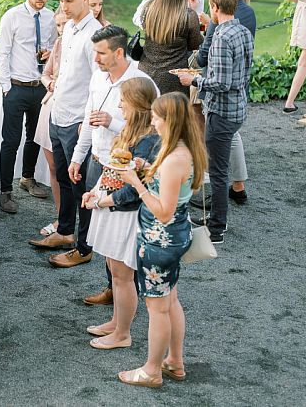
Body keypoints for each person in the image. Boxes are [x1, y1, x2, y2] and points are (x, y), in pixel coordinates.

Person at [115, 91, 207, 388]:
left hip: (160, 240)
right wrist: (145, 170)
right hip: (174, 236)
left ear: (169, 120)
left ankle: (152, 370)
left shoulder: (173, 160)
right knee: (170, 301)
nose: (152, 122)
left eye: (155, 117)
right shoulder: (181, 149)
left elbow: (164, 211)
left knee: (157, 308)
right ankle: (174, 361)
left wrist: (136, 184)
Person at [60, 26, 156, 280]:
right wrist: (77, 157)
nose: (95, 59)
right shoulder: (97, 78)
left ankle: (123, 287)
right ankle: (112, 282)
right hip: (96, 160)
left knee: (122, 234)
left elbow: (153, 130)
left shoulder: (143, 83)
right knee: (98, 221)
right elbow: (88, 120)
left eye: (101, 53)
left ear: (119, 52)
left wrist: (111, 122)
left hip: (126, 170)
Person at [28, 0, 101, 264]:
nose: (64, 6)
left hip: (77, 121)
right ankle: (65, 230)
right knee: (61, 176)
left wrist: (86, 121)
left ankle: (83, 248)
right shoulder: (69, 28)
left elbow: (98, 83)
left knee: (79, 183)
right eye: (62, 0)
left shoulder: (94, 34)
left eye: (70, 1)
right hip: (58, 113)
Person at [82, 77, 160, 350]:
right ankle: (116, 321)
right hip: (112, 205)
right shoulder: (130, 131)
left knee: (124, 276)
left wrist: (104, 202)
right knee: (114, 271)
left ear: (137, 106)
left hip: (126, 214)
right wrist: (95, 191)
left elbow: (134, 190)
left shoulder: (149, 141)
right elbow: (112, 168)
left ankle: (123, 333)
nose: (119, 105)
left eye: (124, 101)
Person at [178, 0, 254, 244]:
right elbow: (236, 74)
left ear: (215, 8)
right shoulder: (243, 31)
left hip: (222, 111)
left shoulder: (221, 37)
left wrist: (194, 80)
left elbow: (221, 82)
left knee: (219, 172)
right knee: (219, 169)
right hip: (238, 106)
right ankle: (214, 219)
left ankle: (217, 228)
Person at [0, 0, 58, 213]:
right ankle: (5, 192)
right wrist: (6, 87)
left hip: (39, 88)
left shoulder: (51, 17)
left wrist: (49, 54)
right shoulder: (12, 17)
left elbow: (55, 48)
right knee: (10, 141)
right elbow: (2, 53)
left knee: (34, 137)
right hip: (16, 87)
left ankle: (27, 178)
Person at [196, 0, 257, 205]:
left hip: (220, 95)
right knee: (232, 136)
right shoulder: (249, 13)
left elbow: (204, 55)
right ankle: (239, 185)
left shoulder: (219, 23)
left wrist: (194, 75)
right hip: (240, 90)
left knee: (216, 144)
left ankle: (216, 200)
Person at [138, 0, 203, 96]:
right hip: (173, 78)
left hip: (146, 72)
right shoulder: (188, 16)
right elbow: (195, 45)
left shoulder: (148, 9)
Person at [34, 9, 68, 237]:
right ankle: (60, 218)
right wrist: (50, 83)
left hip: (74, 113)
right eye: (58, 26)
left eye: (66, 25)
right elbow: (45, 74)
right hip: (50, 106)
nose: (62, 30)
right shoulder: (58, 44)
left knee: (73, 172)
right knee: (54, 168)